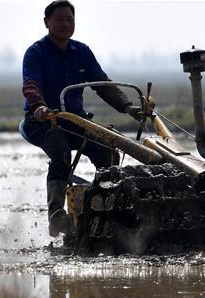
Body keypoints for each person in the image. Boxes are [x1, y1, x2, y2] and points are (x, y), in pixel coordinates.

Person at [21, 0, 142, 236]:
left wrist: (128, 107)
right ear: (47, 23)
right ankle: (56, 215)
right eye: (59, 19)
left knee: (107, 151)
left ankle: (105, 208)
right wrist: (39, 106)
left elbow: (102, 84)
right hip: (44, 121)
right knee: (61, 152)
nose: (66, 24)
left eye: (70, 19)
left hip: (75, 120)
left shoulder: (82, 52)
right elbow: (31, 85)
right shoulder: (36, 53)